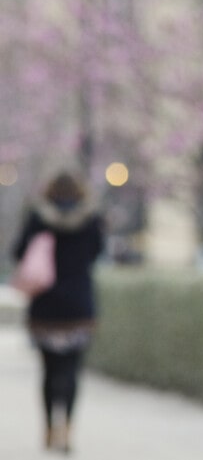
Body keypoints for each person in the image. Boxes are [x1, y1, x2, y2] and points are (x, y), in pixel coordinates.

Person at [10, 168, 106, 454]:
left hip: (46, 307)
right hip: (78, 305)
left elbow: (18, 253)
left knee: (49, 371)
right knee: (72, 370)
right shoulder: (91, 220)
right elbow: (97, 253)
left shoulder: (39, 219)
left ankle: (50, 427)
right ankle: (67, 429)